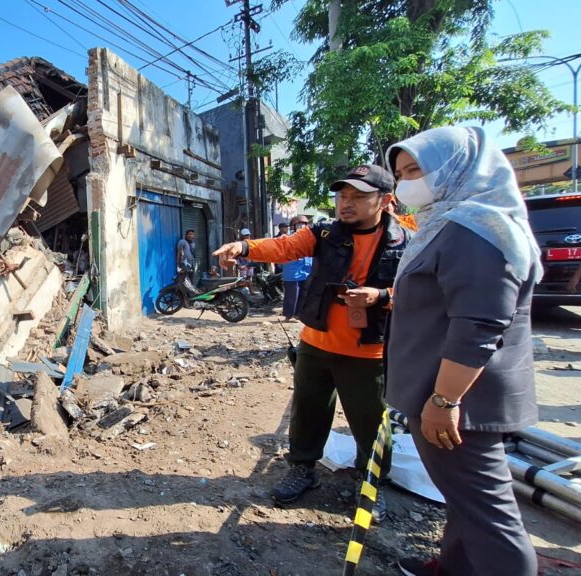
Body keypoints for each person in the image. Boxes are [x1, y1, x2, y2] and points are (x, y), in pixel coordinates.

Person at [213, 165, 413, 520]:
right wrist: (244, 246)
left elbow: (421, 295)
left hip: (370, 352)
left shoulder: (407, 241)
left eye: (358, 197)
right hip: (316, 345)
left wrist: (382, 295)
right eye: (342, 196)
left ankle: (369, 484)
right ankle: (303, 469)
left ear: (384, 200)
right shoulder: (323, 234)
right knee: (307, 412)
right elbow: (283, 246)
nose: (346, 204)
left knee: (370, 423)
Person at [385, 127, 541, 576]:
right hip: (445, 394)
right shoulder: (451, 222)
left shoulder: (477, 229)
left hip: (459, 402)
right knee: (465, 500)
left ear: (456, 168)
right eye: (401, 173)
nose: (407, 182)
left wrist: (444, 400)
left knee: (490, 517)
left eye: (416, 170)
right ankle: (454, 568)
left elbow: (479, 324)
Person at [281, 216, 312, 320]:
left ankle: (299, 314)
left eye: (304, 224)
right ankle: (288, 315)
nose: (301, 227)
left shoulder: (309, 238)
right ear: (293, 226)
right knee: (292, 295)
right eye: (299, 225)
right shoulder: (289, 239)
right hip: (292, 272)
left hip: (306, 271)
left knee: (304, 295)